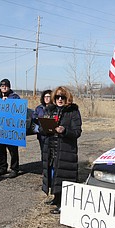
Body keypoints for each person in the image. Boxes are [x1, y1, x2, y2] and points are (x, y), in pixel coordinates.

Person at [40, 86, 82, 214]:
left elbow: (77, 132)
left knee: (64, 176)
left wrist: (64, 130)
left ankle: (63, 204)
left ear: (67, 98)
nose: (59, 99)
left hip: (65, 149)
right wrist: (45, 128)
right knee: (52, 175)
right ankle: (56, 197)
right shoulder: (50, 110)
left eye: (62, 97)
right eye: (57, 97)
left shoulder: (73, 112)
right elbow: (42, 128)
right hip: (50, 148)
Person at [0, 78, 21, 179]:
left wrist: (7, 102)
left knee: (13, 150)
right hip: (0, 128)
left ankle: (14, 169)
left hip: (11, 128)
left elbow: (19, 110)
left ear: (9, 87)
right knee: (0, 149)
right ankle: (2, 167)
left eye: (6, 86)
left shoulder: (15, 97)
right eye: (2, 86)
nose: (4, 88)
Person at [32, 90, 52, 158]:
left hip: (52, 134)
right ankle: (44, 167)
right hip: (41, 134)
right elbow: (34, 117)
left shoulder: (55, 108)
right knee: (44, 152)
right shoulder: (39, 108)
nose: (46, 98)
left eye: (48, 96)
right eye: (45, 96)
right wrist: (37, 119)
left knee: (52, 153)